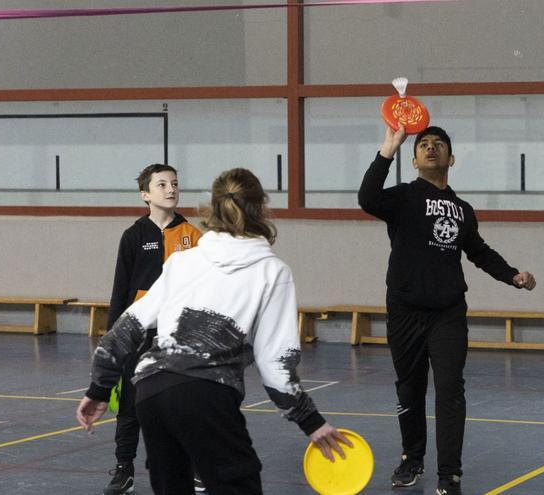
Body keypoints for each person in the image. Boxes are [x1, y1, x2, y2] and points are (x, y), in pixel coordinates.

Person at [78, 168, 349, 495]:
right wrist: (311, 422)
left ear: (213, 207)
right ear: (261, 207)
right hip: (205, 396)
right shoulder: (271, 272)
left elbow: (124, 330)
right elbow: (276, 368)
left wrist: (98, 390)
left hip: (151, 394)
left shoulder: (183, 262)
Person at [359, 124, 536, 495]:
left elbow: (479, 252)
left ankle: (449, 475)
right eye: (423, 145)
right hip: (405, 310)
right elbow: (367, 198)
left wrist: (512, 275)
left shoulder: (462, 210)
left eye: (439, 144)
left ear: (450, 158)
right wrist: (387, 149)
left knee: (450, 390)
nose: (431, 148)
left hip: (447, 313)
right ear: (415, 159)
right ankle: (412, 458)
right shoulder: (403, 197)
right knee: (409, 390)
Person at [103, 163, 202, 495]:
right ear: (145, 195)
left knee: (184, 404)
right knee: (131, 404)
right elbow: (121, 289)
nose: (171, 189)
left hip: (180, 336)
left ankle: (193, 466)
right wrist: (112, 338)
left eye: (174, 183)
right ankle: (123, 469)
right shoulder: (133, 236)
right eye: (162, 185)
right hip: (139, 333)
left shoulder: (193, 235)